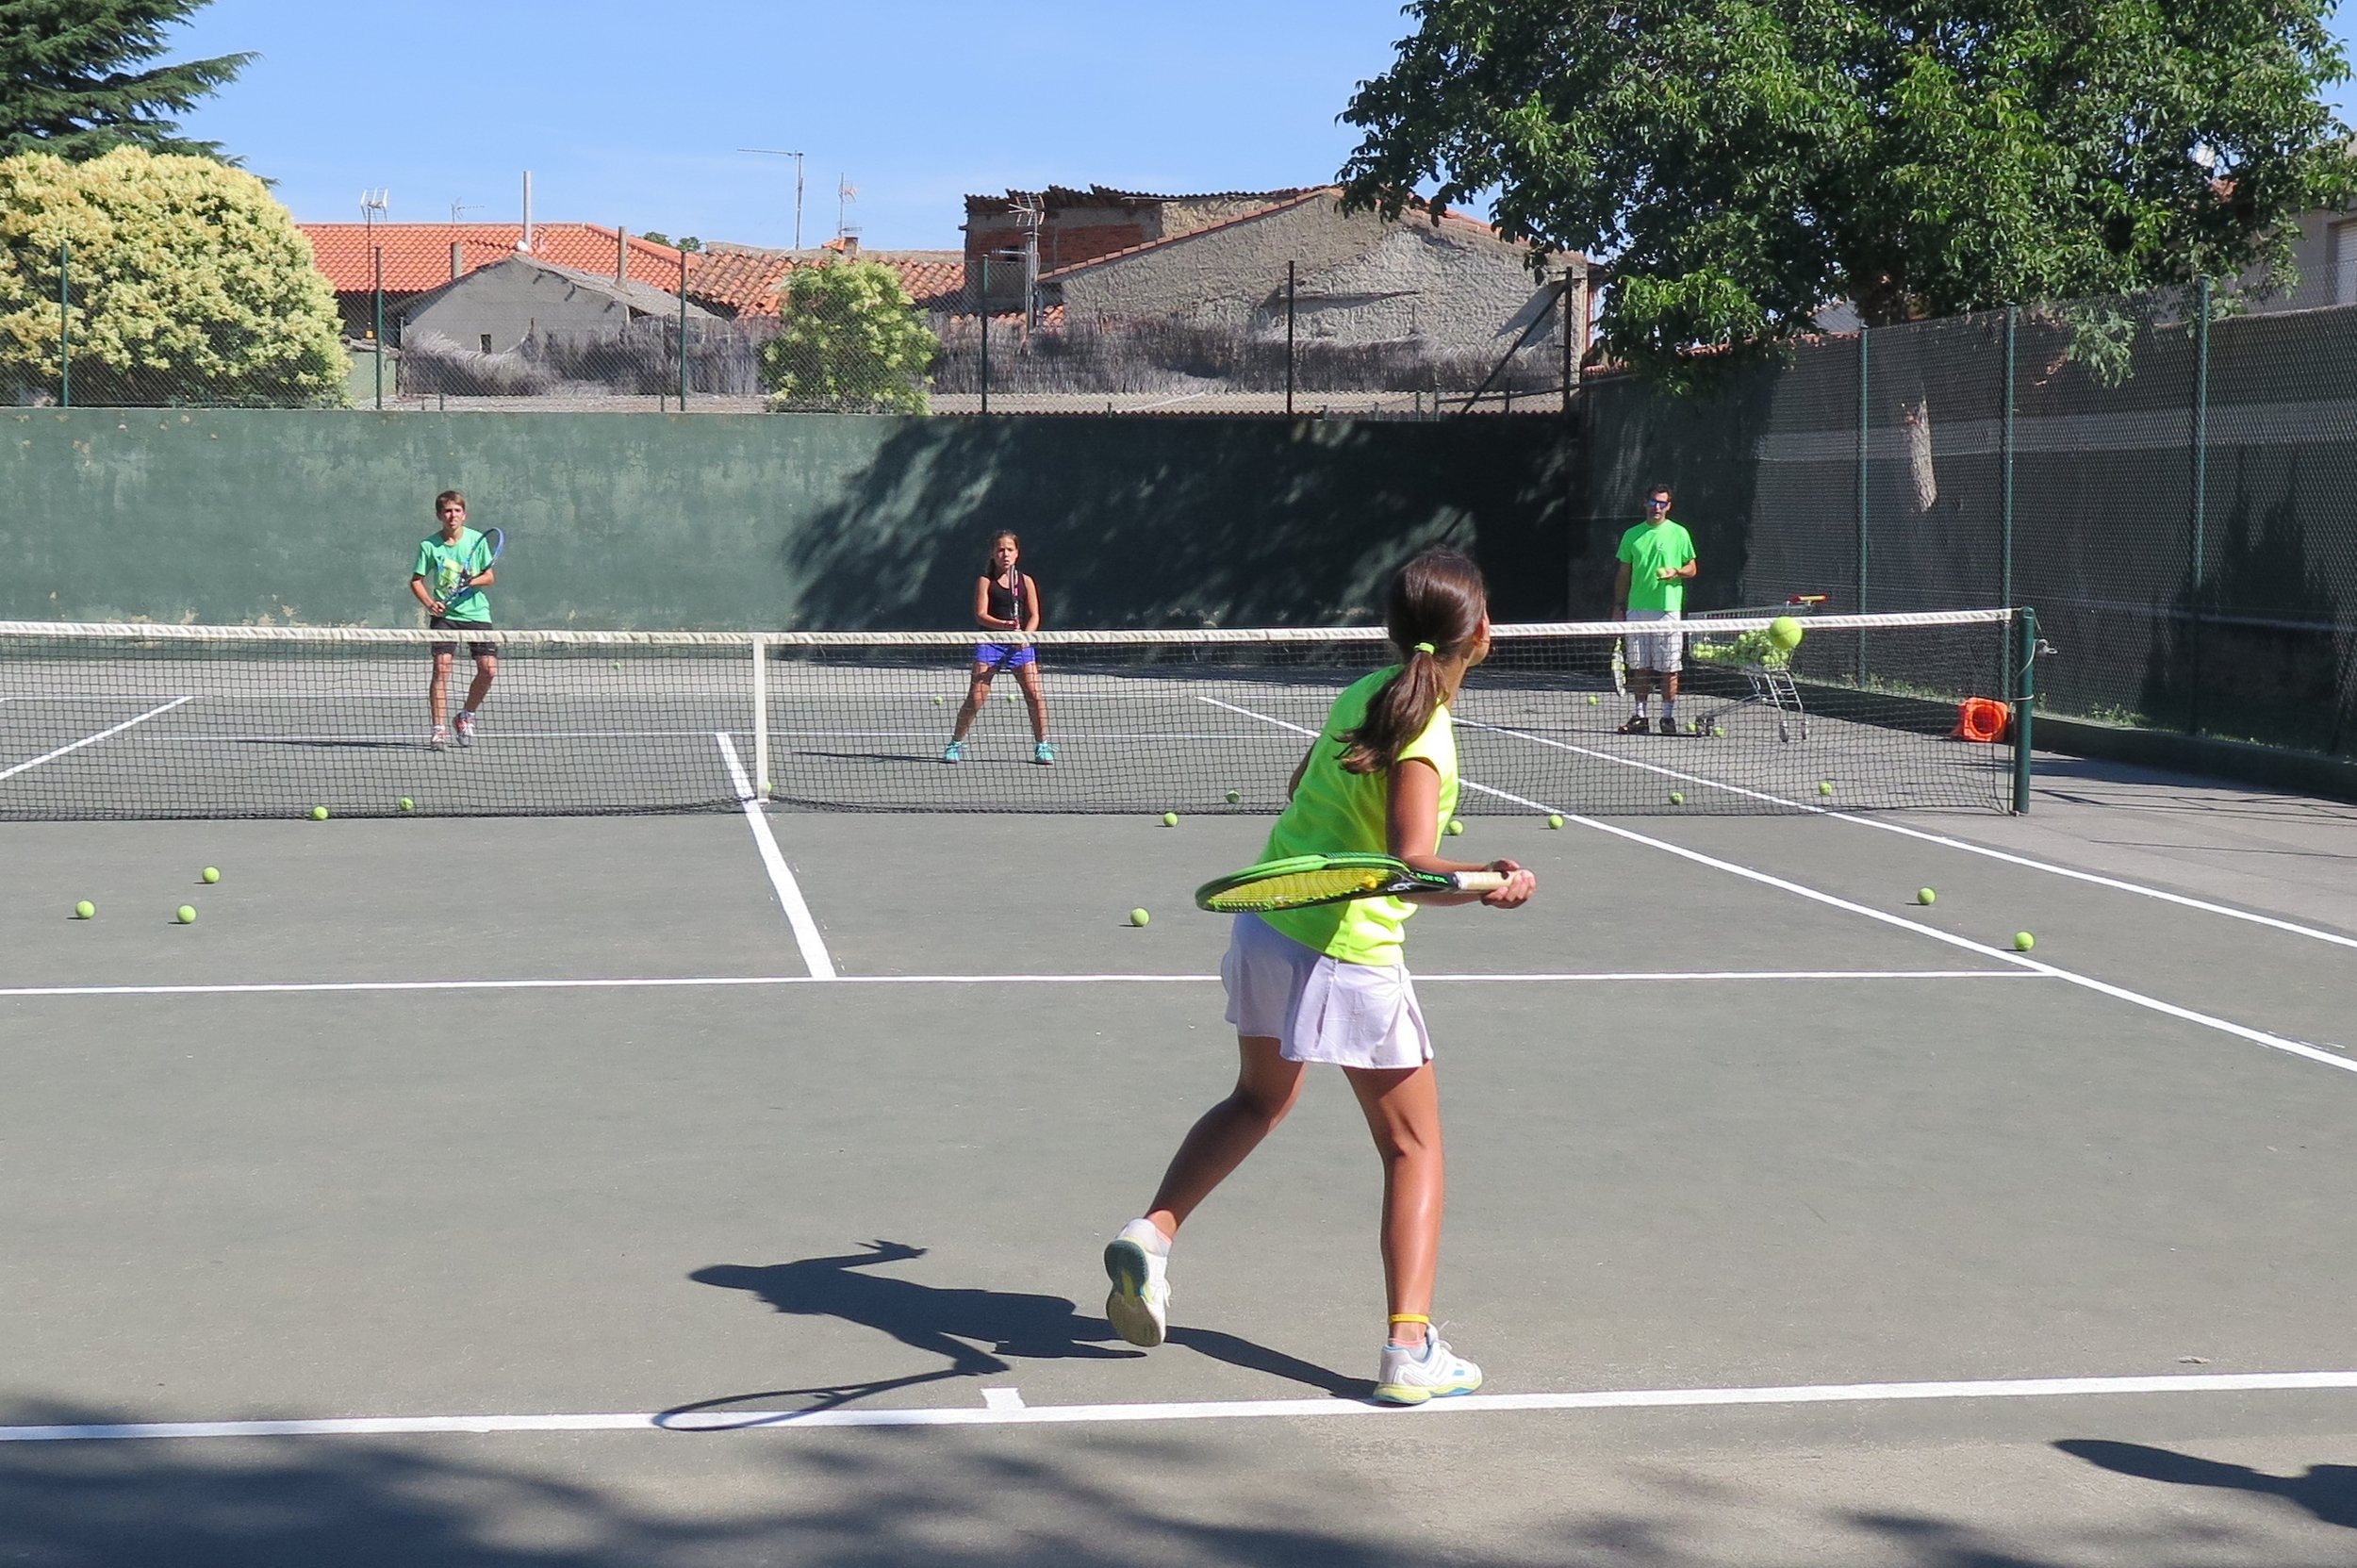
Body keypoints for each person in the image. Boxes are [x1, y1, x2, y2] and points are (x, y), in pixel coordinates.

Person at [1100, 547, 1537, 1406]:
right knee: (1413, 1146)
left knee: (1258, 1098)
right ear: (1481, 634)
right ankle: (1410, 1350)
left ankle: (1150, 1237)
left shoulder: (1362, 695)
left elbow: (1303, 782)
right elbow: (1410, 865)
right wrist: (1493, 880)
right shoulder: (1428, 733)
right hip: (1345, 950)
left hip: (1267, 928)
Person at [944, 530, 1054, 766]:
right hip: (991, 643)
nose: (1005, 554)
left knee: (1035, 695)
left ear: (1017, 553)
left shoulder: (1026, 581)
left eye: (1010, 550)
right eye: (1000, 550)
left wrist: (1026, 635)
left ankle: (1042, 745)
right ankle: (955, 743)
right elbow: (981, 615)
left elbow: (1034, 615)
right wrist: (1004, 625)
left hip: (1019, 645)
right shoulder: (985, 581)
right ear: (993, 553)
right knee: (976, 697)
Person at [408, 490, 498, 750]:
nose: (452, 515)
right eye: (447, 511)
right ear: (439, 515)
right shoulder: (429, 546)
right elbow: (416, 581)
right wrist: (429, 604)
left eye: (457, 510)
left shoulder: (476, 541)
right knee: (442, 669)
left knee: (489, 670)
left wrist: (472, 580)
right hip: (444, 616)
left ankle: (466, 715)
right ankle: (438, 730)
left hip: (476, 614)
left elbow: (489, 577)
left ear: (464, 514)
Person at [1613, 485, 1698, 735]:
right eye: (1653, 502)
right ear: (1645, 503)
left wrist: (1677, 572)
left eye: (1662, 503)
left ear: (1668, 506)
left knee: (1669, 667)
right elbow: (1623, 573)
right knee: (1640, 667)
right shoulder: (1632, 535)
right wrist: (1619, 605)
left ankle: (1667, 718)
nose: (1657, 507)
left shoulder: (1679, 534)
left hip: (1668, 610)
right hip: (1637, 609)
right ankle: (1640, 717)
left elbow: (1692, 568)